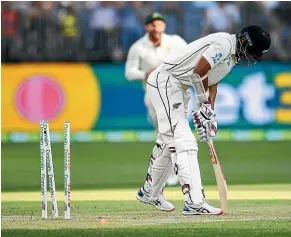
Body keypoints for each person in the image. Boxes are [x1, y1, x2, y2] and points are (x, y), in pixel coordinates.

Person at [145, 25, 271, 214]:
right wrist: (203, 103)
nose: (249, 57)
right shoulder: (224, 44)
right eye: (251, 52)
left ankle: (149, 192)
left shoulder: (231, 57)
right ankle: (195, 203)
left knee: (168, 142)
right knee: (186, 143)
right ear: (245, 41)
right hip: (167, 82)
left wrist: (209, 112)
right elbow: (198, 72)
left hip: (179, 88)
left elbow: (211, 80)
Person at [125, 12, 187, 206]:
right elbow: (129, 73)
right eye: (152, 25)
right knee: (165, 135)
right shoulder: (138, 47)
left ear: (164, 27)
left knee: (179, 134)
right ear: (147, 27)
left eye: (159, 24)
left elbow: (190, 59)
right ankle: (165, 176)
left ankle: (174, 172)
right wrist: (146, 73)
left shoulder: (176, 42)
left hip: (178, 95)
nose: (156, 28)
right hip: (154, 96)